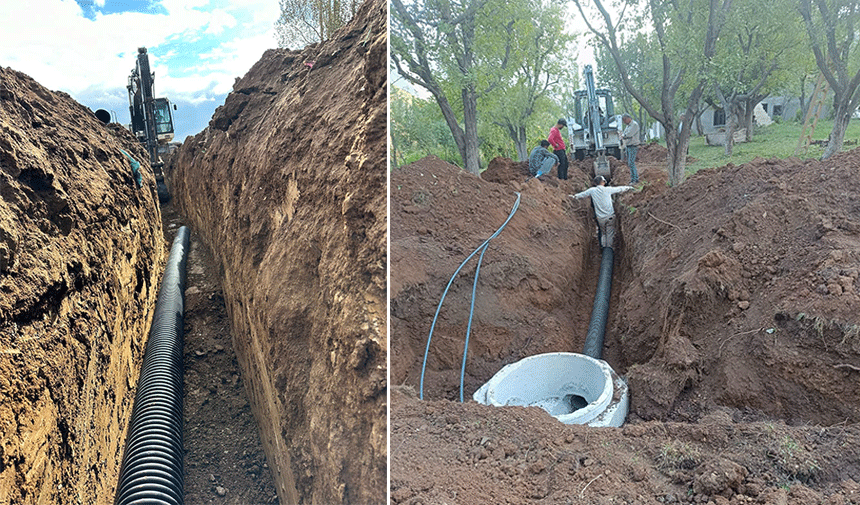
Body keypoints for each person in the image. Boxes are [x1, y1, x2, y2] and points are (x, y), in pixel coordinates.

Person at [569, 175, 634, 248]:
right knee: (609, 234)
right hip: (610, 217)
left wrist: (574, 196)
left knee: (603, 233)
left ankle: (603, 248)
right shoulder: (607, 189)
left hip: (600, 218)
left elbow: (582, 194)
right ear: (603, 182)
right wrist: (629, 188)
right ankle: (609, 249)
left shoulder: (592, 190)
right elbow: (619, 189)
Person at [621, 113, 640, 183]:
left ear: (628, 118)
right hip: (628, 146)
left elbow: (628, 134)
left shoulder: (634, 125)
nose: (624, 122)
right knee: (630, 163)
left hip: (633, 146)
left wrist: (623, 136)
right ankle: (633, 178)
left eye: (624, 120)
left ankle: (635, 179)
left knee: (631, 163)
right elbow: (624, 133)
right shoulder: (628, 126)